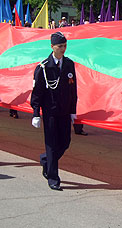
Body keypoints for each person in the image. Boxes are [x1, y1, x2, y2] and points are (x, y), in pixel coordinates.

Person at [30, 31, 77, 191]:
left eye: (65, 46)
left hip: (64, 110)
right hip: (50, 111)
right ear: (52, 47)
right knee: (51, 144)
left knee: (65, 142)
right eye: (60, 46)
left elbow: (73, 89)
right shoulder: (43, 67)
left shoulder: (69, 64)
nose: (63, 49)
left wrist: (73, 110)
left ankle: (46, 160)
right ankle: (53, 177)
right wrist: (36, 112)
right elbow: (37, 92)